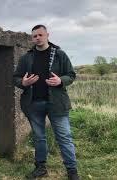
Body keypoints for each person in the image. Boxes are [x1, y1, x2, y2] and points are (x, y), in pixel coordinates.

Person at [13, 25, 80, 180]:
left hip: (56, 103)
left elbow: (71, 75)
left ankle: (72, 171)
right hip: (34, 103)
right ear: (32, 38)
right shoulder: (27, 57)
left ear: (47, 35)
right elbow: (16, 77)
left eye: (40, 35)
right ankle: (41, 167)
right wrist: (23, 82)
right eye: (34, 36)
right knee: (39, 137)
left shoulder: (59, 55)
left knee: (64, 136)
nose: (37, 38)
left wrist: (60, 80)